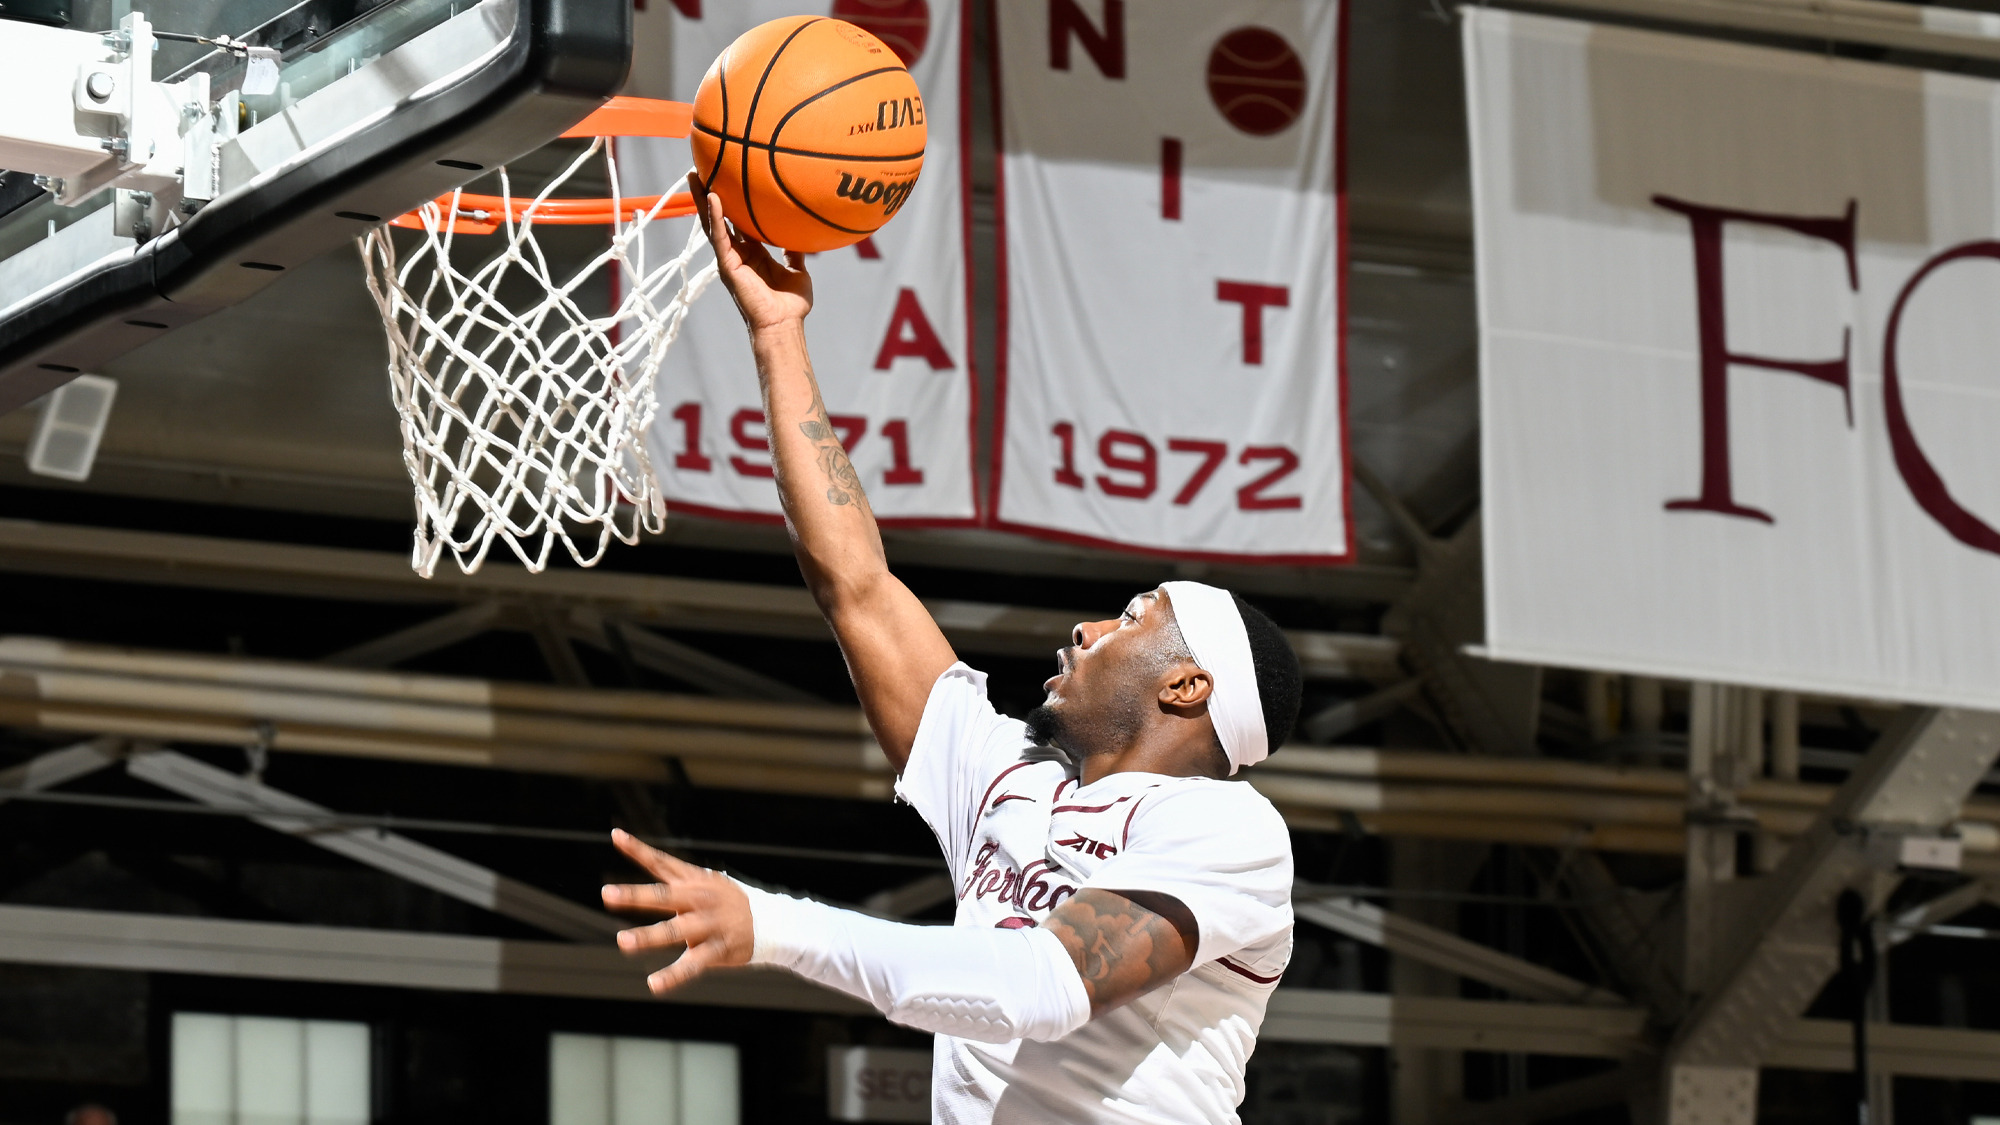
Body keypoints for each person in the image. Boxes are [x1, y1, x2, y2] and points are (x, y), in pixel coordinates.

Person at [601, 174, 1303, 1124]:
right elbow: (856, 584)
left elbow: (1039, 989)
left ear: (1187, 684)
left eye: (1131, 618)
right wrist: (778, 334)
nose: (1090, 628)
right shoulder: (1009, 777)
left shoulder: (1230, 833)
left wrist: (774, 923)